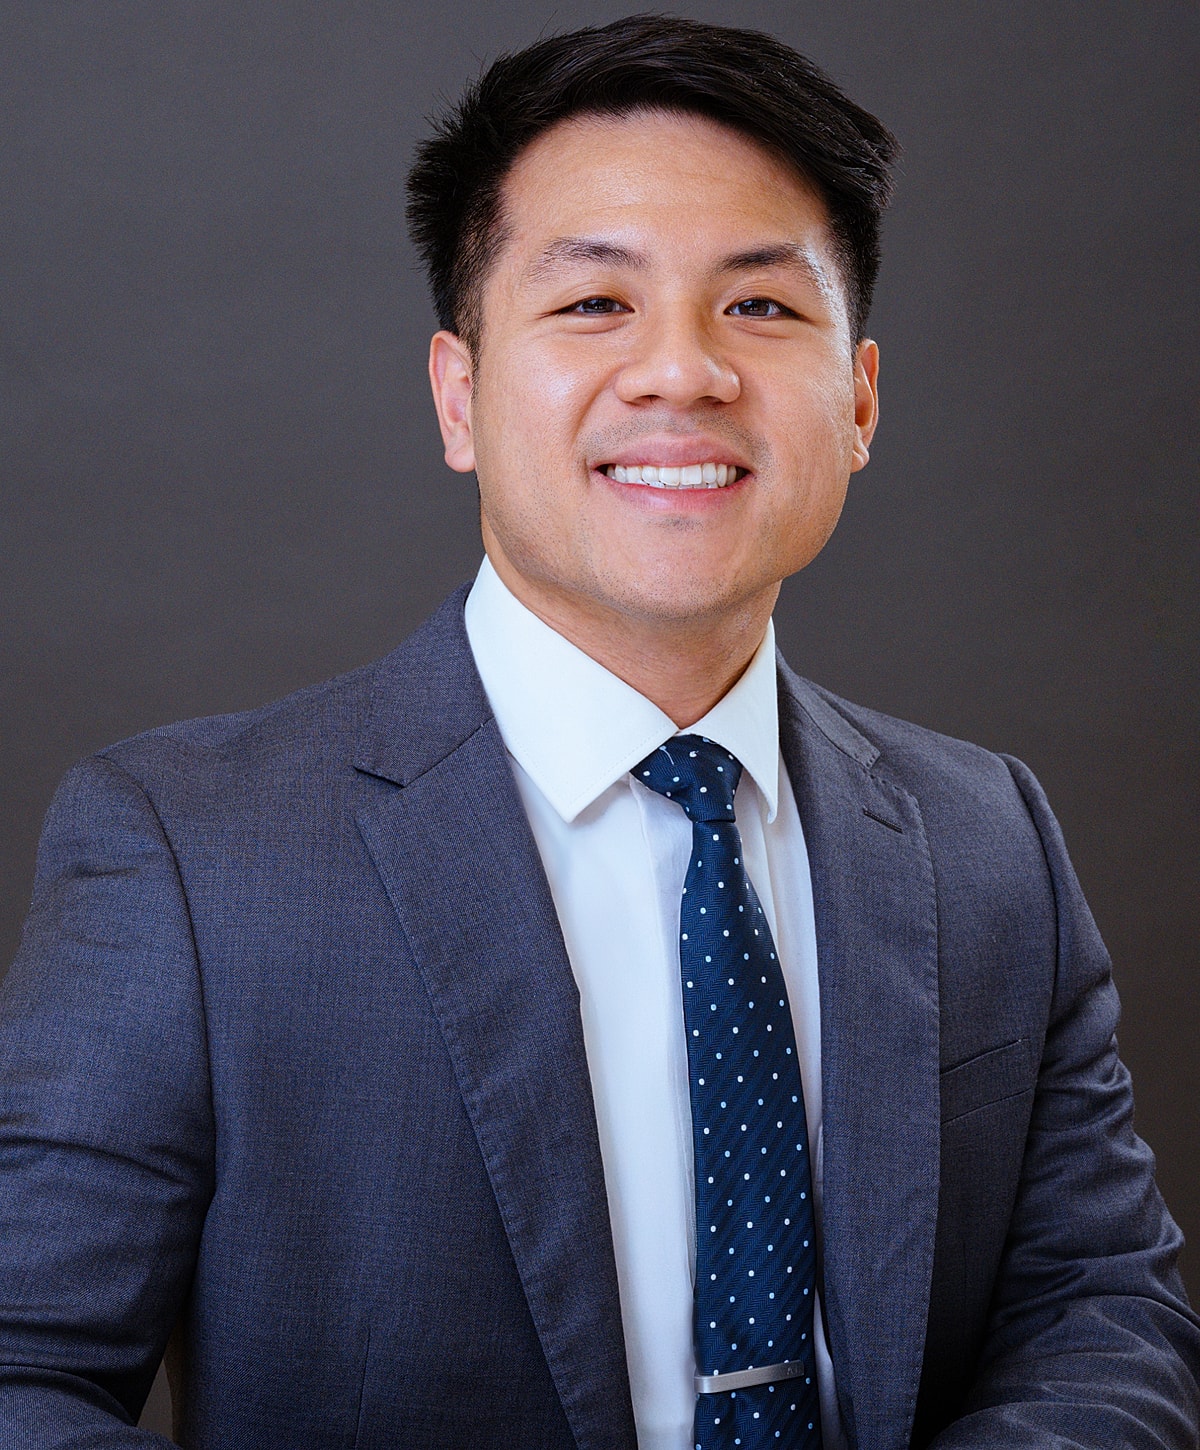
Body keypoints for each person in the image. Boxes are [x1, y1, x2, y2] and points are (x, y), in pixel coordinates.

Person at [0, 13, 1196, 1448]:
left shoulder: (989, 837)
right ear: (460, 395)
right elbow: (27, 1371)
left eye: (759, 306)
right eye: (593, 306)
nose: (681, 372)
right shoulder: (191, 855)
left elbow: (1104, 1305)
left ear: (861, 399)